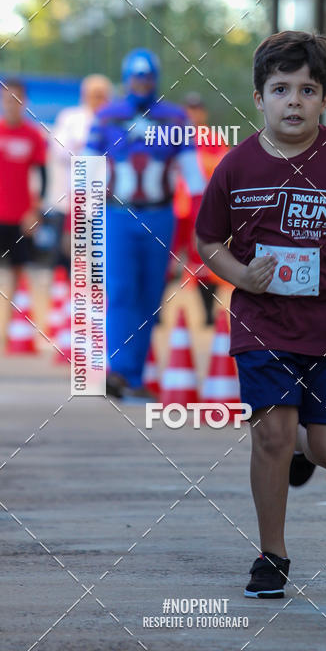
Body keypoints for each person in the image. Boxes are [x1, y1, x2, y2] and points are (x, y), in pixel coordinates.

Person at [195, 31, 326, 598]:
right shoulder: (235, 166)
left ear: (324, 98)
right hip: (263, 325)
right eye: (280, 89)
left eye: (307, 90)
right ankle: (271, 555)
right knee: (271, 434)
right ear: (258, 97)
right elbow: (209, 240)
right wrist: (239, 276)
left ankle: (305, 452)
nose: (294, 101)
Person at [84, 49, 206, 399]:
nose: (142, 84)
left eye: (147, 77)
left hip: (159, 215)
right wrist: (77, 224)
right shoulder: (107, 117)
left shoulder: (174, 118)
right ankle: (120, 371)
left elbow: (194, 178)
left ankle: (132, 374)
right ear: (126, 79)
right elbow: (87, 171)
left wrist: (199, 227)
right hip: (118, 215)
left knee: (151, 295)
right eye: (136, 78)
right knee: (121, 291)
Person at [170, 92, 229, 325]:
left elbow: (222, 166)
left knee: (204, 260)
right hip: (176, 206)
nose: (193, 114)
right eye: (189, 109)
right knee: (167, 258)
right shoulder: (173, 138)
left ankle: (207, 314)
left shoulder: (212, 138)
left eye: (196, 109)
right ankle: (155, 317)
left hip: (201, 207)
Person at [46, 74, 112, 269]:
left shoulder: (113, 121)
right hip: (68, 202)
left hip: (102, 203)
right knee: (67, 256)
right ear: (84, 95)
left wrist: (83, 150)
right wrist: (90, 152)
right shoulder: (70, 117)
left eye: (102, 95)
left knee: (96, 260)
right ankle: (64, 297)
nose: (98, 99)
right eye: (94, 94)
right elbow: (59, 149)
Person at [0, 79, 47, 284]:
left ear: (24, 101)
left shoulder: (33, 135)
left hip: (22, 217)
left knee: (21, 272)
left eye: (16, 99)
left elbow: (43, 176)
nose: (12, 103)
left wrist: (35, 211)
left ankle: (18, 315)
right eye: (8, 99)